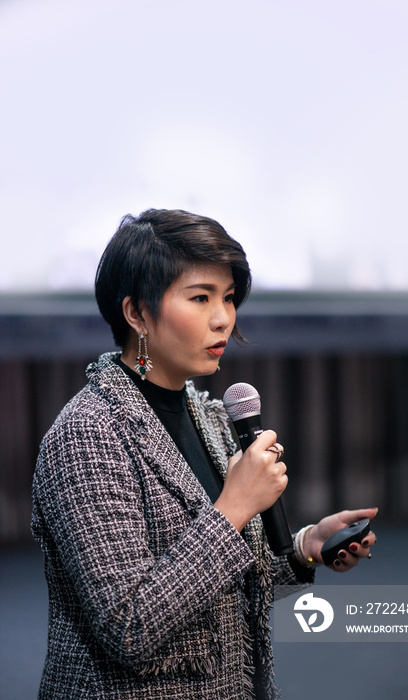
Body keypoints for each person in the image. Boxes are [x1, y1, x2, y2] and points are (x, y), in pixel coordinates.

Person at [31, 208, 377, 700]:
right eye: (200, 298)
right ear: (136, 313)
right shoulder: (89, 434)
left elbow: (222, 591)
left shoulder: (210, 417)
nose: (223, 318)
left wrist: (303, 549)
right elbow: (130, 626)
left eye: (229, 298)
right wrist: (233, 507)